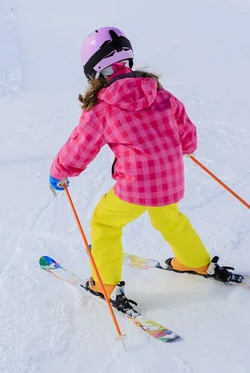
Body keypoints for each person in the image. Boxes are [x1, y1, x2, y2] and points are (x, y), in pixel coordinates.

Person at [49, 27, 237, 314]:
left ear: (93, 71)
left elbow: (80, 147)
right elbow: (187, 133)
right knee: (169, 218)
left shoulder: (101, 108)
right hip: (171, 179)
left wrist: (60, 171)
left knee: (105, 223)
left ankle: (105, 284)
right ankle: (195, 261)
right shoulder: (161, 95)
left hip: (135, 186)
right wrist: (186, 147)